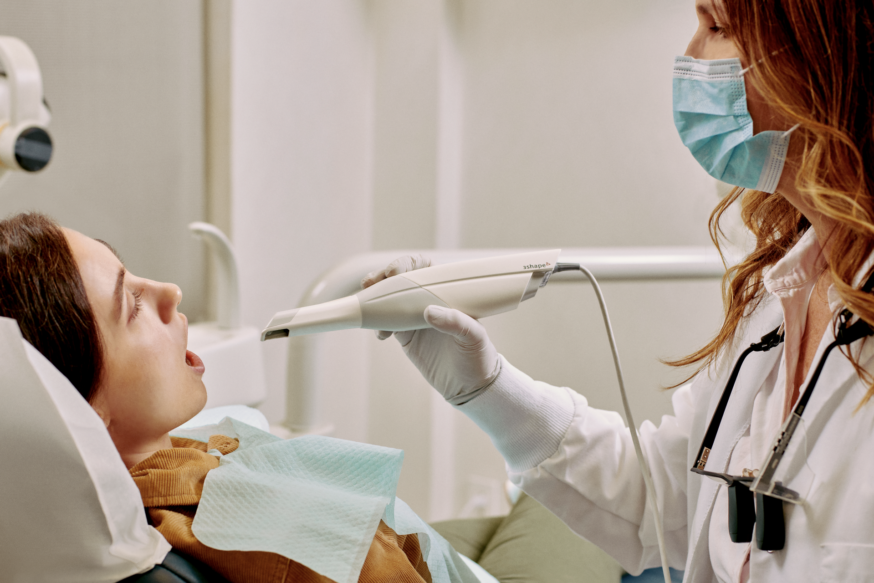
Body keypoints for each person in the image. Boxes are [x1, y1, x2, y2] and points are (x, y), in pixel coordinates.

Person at [363, 1, 874, 581]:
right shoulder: (779, 296)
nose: (689, 57)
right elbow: (663, 502)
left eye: (718, 27)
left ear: (828, 52)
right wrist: (487, 389)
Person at [0, 212, 432, 583]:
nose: (170, 291)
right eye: (132, 305)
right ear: (76, 410)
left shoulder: (188, 459)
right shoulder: (243, 526)